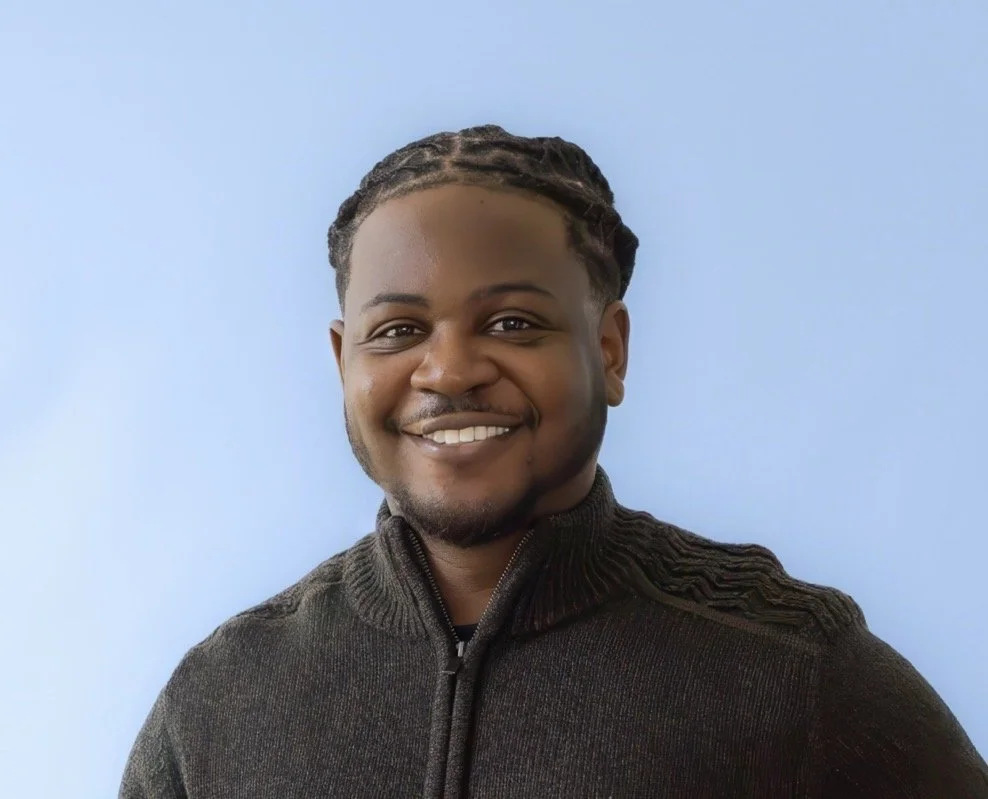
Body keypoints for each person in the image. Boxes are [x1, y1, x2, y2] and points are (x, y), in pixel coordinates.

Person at [120, 124, 988, 798]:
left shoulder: (793, 667)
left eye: (511, 323)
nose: (450, 370)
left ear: (608, 349)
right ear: (343, 361)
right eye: (398, 332)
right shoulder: (220, 700)